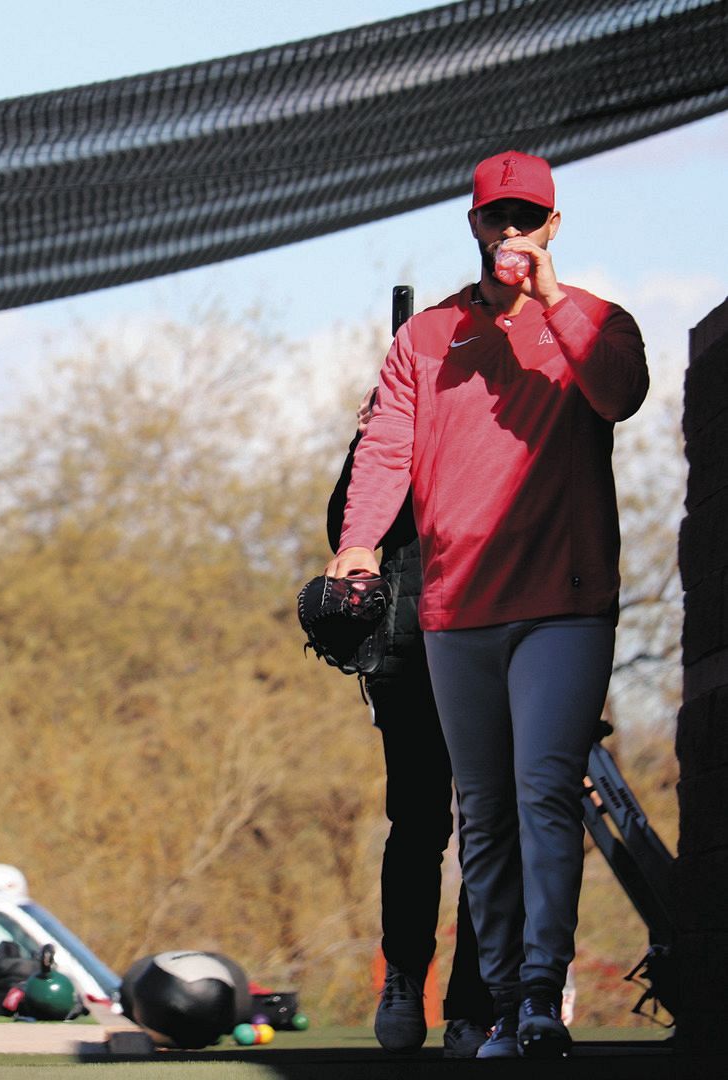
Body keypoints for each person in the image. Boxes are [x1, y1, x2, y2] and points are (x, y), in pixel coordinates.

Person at [325, 151, 647, 1059]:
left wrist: (553, 298)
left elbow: (621, 394)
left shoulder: (595, 321)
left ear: (552, 225)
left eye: (528, 217)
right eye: (495, 216)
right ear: (473, 224)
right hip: (455, 604)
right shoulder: (427, 338)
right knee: (483, 812)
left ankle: (542, 993)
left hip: (565, 604)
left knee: (545, 792)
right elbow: (387, 447)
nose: (510, 230)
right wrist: (357, 541)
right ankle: (502, 1005)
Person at [327, 390, 493, 1058]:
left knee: (488, 826)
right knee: (419, 824)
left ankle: (475, 1004)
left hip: (488, 642)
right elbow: (347, 527)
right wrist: (364, 441)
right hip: (409, 652)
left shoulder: (491, 443)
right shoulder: (391, 447)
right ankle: (403, 982)